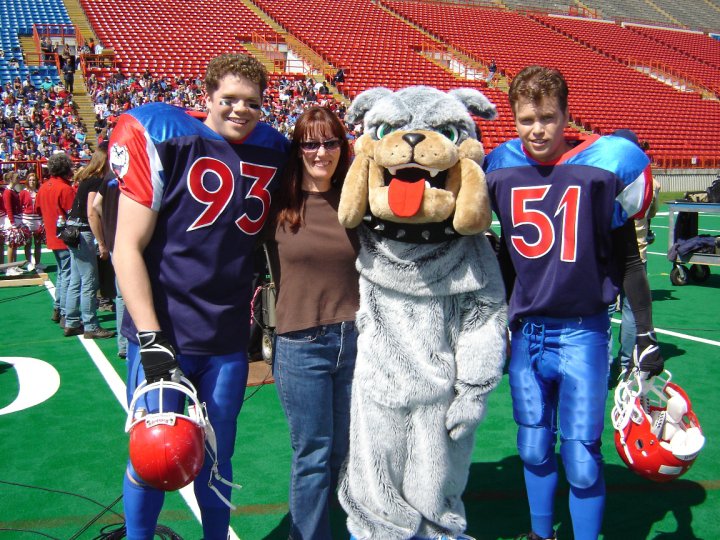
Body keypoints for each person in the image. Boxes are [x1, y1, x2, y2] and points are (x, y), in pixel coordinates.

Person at [110, 53, 289, 539]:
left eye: (251, 102)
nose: (239, 110)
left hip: (226, 334)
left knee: (217, 455)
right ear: (206, 98)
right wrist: (150, 338)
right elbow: (127, 246)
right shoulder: (167, 135)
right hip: (166, 331)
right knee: (151, 451)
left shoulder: (273, 148)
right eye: (228, 99)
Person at [483, 65, 664, 540]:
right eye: (526, 120)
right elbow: (504, 259)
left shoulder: (602, 167)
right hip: (526, 333)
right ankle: (542, 534)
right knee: (532, 447)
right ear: (513, 120)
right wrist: (495, 318)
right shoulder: (500, 167)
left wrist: (644, 332)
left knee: (582, 459)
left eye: (547, 117)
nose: (537, 129)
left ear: (567, 116)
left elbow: (628, 262)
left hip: (583, 332)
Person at [266, 106, 358, 540]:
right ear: (297, 148)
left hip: (357, 340)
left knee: (343, 451)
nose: (321, 151)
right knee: (313, 454)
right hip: (302, 343)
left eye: (330, 142)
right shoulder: (277, 202)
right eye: (310, 143)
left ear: (342, 146)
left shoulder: (358, 200)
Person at [611, 129, 661, 372]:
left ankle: (603, 364)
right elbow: (650, 213)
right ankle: (626, 365)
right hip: (637, 255)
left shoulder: (604, 176)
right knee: (631, 311)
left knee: (605, 311)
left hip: (607, 256)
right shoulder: (651, 181)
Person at [63, 144, 115, 339]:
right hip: (84, 232)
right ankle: (91, 325)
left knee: (76, 278)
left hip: (72, 229)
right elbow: (92, 212)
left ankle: (71, 320)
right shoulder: (95, 181)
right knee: (89, 281)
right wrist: (102, 243)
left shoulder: (86, 178)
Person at [89, 172, 128, 358]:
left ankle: (123, 344)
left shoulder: (110, 176)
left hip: (114, 239)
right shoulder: (137, 170)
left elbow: (96, 204)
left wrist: (109, 222)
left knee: (121, 296)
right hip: (131, 240)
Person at [35, 152, 76, 323]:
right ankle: (65, 312)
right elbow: (74, 213)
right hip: (65, 238)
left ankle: (58, 308)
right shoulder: (65, 188)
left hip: (52, 236)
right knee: (67, 275)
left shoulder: (44, 186)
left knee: (62, 274)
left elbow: (37, 209)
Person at [2, 171, 27, 276]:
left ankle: (15, 265)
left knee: (15, 244)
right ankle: (9, 267)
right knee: (11, 244)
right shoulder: (7, 192)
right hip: (12, 220)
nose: (18, 179)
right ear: (11, 179)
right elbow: (8, 208)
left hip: (17, 218)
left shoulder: (13, 190)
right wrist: (12, 222)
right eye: (17, 178)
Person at [20, 171, 44, 271]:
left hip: (38, 220)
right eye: (30, 180)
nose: (32, 182)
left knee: (38, 243)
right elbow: (19, 206)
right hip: (27, 220)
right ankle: (28, 262)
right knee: (28, 243)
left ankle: (38, 263)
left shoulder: (40, 192)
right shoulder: (23, 192)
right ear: (27, 181)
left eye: (33, 180)